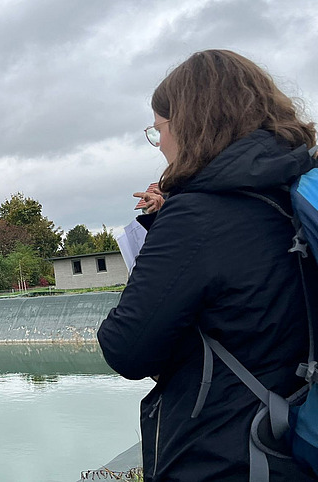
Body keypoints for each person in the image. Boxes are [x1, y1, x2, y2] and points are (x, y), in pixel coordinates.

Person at [97, 49, 318, 481]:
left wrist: (167, 232)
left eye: (159, 129)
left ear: (191, 125)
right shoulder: (292, 190)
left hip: (225, 454)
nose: (160, 143)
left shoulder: (197, 217)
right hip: (294, 436)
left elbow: (125, 348)